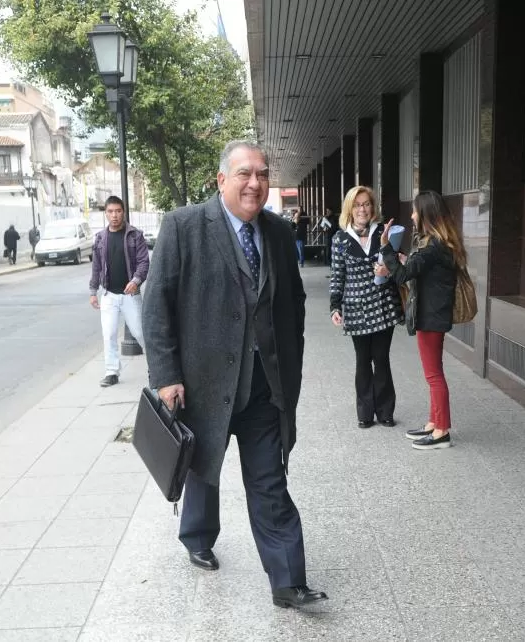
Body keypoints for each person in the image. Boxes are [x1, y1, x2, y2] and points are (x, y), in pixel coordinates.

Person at [142, 140, 328, 610]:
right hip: (203, 383)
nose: (255, 183)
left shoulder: (280, 234)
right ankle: (198, 537)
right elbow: (157, 305)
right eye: (244, 173)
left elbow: (293, 308)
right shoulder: (183, 227)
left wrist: (291, 369)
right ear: (222, 179)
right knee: (204, 468)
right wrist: (166, 375)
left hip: (264, 387)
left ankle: (288, 581)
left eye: (262, 174)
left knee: (269, 482)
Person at [374, 190, 462, 450]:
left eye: (414, 210)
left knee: (434, 375)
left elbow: (402, 277)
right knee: (433, 374)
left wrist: (385, 245)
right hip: (433, 314)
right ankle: (434, 424)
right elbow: (416, 270)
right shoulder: (437, 243)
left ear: (425, 214)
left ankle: (442, 431)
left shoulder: (433, 245)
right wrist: (403, 259)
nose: (411, 215)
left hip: (431, 317)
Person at [329, 185, 403, 429]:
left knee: (381, 358)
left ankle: (385, 412)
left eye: (366, 204)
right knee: (363, 360)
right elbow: (337, 275)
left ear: (373, 207)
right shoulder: (340, 239)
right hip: (355, 307)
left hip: (383, 304)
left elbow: (400, 264)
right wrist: (334, 306)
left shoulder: (384, 232)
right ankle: (364, 412)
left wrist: (388, 270)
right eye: (357, 205)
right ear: (350, 209)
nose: (362, 209)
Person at [89, 196, 150, 387]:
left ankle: (157, 368)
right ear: (105, 213)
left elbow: (143, 262)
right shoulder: (100, 238)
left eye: (118, 211)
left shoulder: (135, 235)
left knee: (141, 333)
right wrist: (93, 291)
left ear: (123, 212)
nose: (114, 215)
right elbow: (97, 266)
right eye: (110, 211)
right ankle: (111, 372)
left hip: (130, 295)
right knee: (108, 334)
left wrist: (136, 280)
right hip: (109, 295)